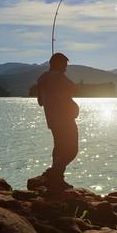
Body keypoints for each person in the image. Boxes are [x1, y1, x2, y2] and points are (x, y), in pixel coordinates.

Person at [37, 52, 79, 191]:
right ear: (58, 64)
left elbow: (40, 101)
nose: (66, 68)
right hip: (65, 120)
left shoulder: (42, 79)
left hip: (53, 120)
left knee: (59, 148)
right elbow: (73, 88)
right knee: (71, 150)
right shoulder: (59, 77)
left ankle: (57, 178)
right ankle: (54, 174)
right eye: (64, 65)